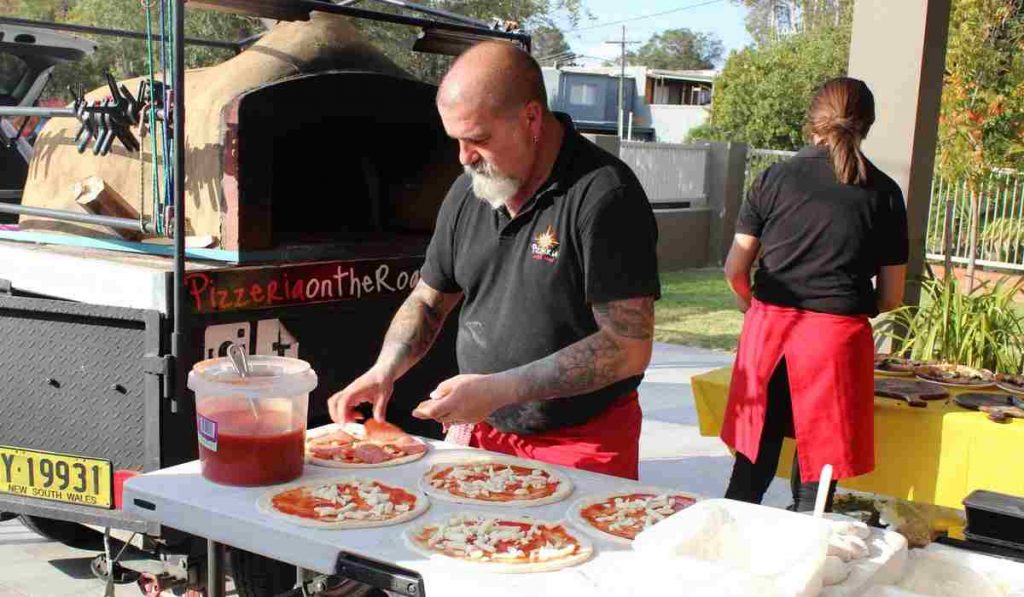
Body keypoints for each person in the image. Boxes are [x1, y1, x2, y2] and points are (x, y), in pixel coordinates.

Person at [327, 42, 660, 480]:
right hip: (484, 431)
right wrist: (385, 369)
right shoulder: (469, 191)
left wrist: (501, 389)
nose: (464, 157)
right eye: (457, 140)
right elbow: (429, 300)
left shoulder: (604, 195)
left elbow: (628, 346)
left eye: (478, 139)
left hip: (580, 440)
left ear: (531, 119)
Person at [721, 77, 908, 511]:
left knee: (748, 475)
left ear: (813, 122)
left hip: (768, 338)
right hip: (834, 344)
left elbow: (735, 268)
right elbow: (892, 297)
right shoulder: (884, 194)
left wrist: (754, 306)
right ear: (868, 125)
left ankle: (724, 565)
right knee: (816, 489)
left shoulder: (773, 178)